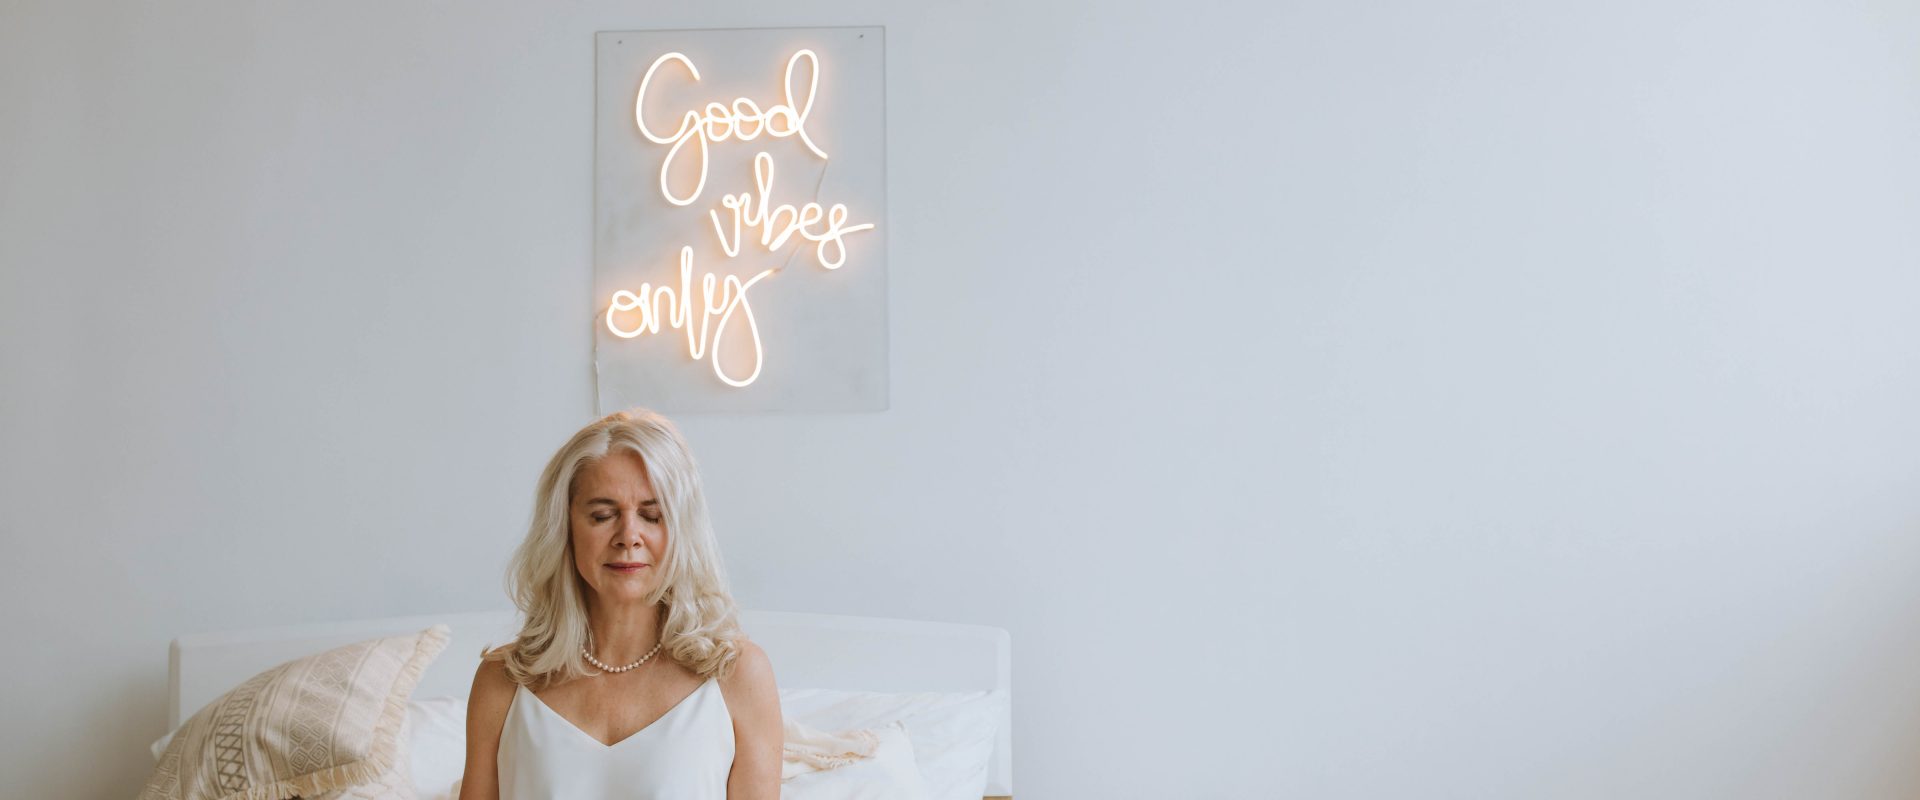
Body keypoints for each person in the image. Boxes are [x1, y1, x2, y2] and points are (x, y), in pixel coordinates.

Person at [459, 409, 781, 800]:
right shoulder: (501, 682)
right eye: (602, 515)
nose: (629, 536)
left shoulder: (739, 675)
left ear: (682, 530)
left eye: (652, 515)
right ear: (565, 529)